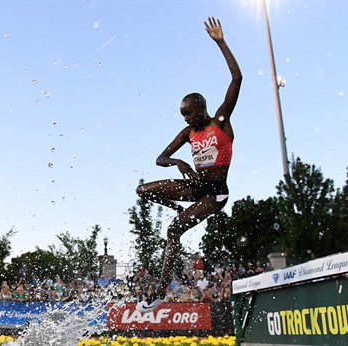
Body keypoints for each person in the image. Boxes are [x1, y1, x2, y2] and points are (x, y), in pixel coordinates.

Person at [136, 16, 242, 312]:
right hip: (195, 187)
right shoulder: (188, 133)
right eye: (182, 115)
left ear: (201, 109)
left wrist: (221, 42)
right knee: (142, 191)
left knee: (173, 231)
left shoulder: (220, 123)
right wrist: (179, 161)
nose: (185, 119)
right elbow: (160, 158)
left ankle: (159, 292)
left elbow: (237, 79)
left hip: (215, 194)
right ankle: (175, 207)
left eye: (188, 114)